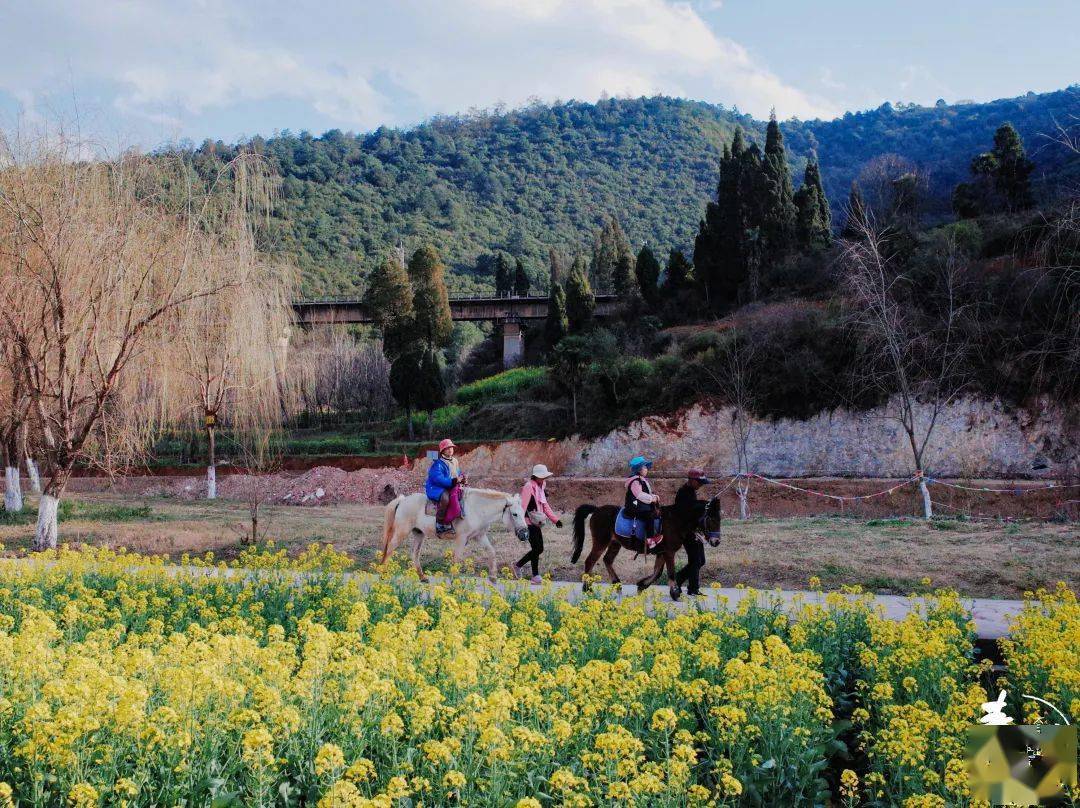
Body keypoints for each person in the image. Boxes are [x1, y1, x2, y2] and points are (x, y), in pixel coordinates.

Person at [515, 464, 563, 583]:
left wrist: (555, 519)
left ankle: (535, 576)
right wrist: (521, 526)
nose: (544, 479)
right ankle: (518, 565)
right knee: (538, 548)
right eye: (542, 476)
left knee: (537, 548)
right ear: (535, 476)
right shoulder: (528, 487)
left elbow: (544, 505)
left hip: (537, 521)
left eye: (544, 477)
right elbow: (522, 507)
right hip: (528, 522)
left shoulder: (541, 485)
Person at [674, 469, 711, 596]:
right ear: (692, 480)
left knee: (700, 561)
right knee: (696, 560)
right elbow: (685, 514)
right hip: (687, 532)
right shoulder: (684, 493)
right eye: (699, 482)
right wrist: (702, 507)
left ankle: (684, 583)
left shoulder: (691, 492)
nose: (701, 485)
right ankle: (690, 587)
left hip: (694, 531)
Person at [425, 438, 466, 533]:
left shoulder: (455, 461)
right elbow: (438, 479)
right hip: (437, 487)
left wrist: (462, 477)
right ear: (443, 450)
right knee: (445, 499)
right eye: (447, 448)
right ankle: (440, 523)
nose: (450, 449)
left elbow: (457, 472)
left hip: (450, 484)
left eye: (451, 447)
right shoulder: (438, 463)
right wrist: (455, 481)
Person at [624, 455, 660, 545]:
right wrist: (652, 499)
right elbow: (639, 495)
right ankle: (650, 540)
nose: (646, 469)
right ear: (639, 469)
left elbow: (646, 493)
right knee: (649, 516)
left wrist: (654, 496)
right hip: (634, 507)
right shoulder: (635, 481)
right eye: (644, 467)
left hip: (641, 506)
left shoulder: (642, 480)